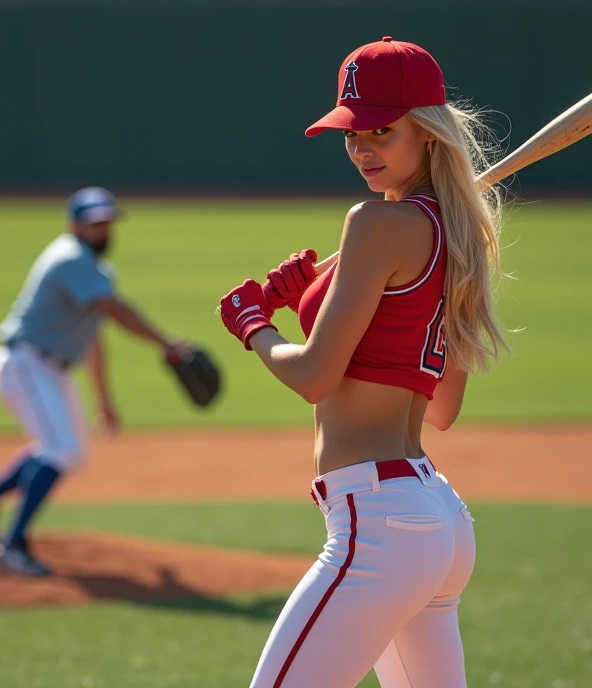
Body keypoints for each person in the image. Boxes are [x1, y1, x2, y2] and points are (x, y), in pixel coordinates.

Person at [217, 37, 510, 687]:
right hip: (434, 518)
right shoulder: (456, 236)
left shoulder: (376, 226)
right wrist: (310, 308)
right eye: (353, 133)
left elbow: (316, 377)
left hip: (380, 523)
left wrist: (252, 323)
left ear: (428, 134)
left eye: (384, 130)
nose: (363, 148)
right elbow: (440, 407)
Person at [0, 186, 188, 577]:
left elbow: (94, 336)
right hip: (26, 362)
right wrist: (167, 343)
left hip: (46, 367)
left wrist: (104, 400)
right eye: (94, 223)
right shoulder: (70, 258)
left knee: (68, 449)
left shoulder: (95, 270)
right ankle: (11, 547)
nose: (102, 229)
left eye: (107, 222)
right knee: (59, 449)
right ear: (75, 224)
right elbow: (111, 309)